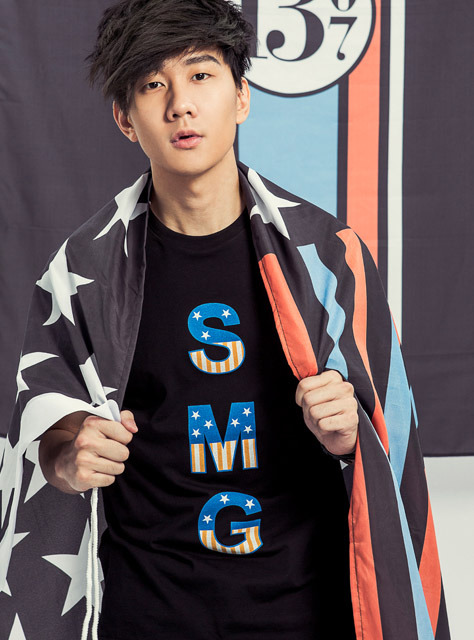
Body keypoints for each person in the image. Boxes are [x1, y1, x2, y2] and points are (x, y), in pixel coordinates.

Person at [0, 1, 449, 639]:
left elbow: (391, 446)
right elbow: (43, 434)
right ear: (126, 120)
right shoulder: (82, 269)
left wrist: (351, 437)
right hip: (146, 614)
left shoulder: (328, 257)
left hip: (306, 613)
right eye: (152, 84)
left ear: (241, 97)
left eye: (201, 75)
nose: (180, 105)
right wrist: (69, 457)